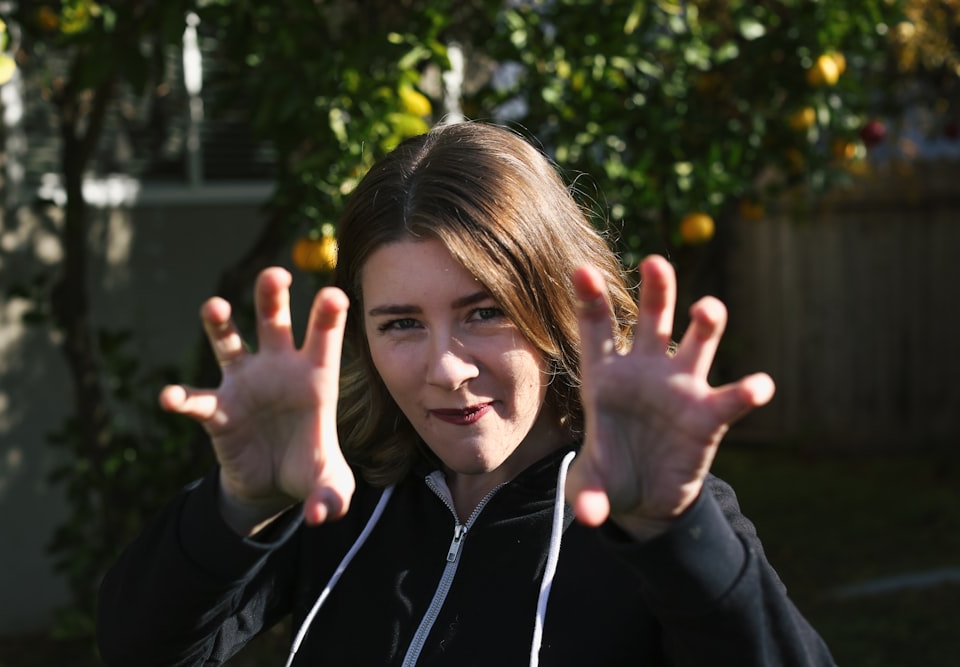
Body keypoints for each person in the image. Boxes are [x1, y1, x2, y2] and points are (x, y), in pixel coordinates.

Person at [96, 121, 835, 666]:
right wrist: (239, 506)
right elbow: (141, 650)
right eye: (402, 323)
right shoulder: (339, 491)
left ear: (553, 305)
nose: (445, 368)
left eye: (484, 311)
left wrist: (676, 534)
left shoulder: (651, 521)